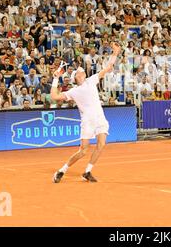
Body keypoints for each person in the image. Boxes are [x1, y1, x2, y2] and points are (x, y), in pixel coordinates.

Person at [51, 42, 121, 183]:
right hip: (87, 121)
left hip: (100, 118)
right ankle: (61, 171)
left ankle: (87, 172)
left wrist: (115, 53)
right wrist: (55, 78)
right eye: (79, 72)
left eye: (82, 71)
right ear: (76, 78)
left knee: (101, 144)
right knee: (83, 150)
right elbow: (54, 97)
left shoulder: (91, 80)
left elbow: (108, 68)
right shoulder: (73, 91)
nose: (81, 72)